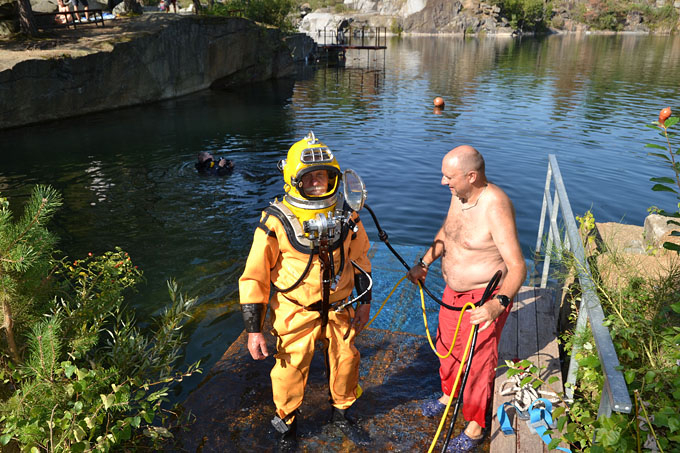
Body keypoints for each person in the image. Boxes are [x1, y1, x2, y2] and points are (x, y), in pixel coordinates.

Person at [239, 131, 372, 452]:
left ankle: (342, 411)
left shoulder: (347, 216)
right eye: (309, 177)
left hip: (340, 307)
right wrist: (254, 331)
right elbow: (254, 277)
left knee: (346, 359)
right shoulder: (276, 221)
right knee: (289, 368)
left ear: (334, 178)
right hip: (295, 310)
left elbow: (361, 259)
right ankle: (287, 422)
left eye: (323, 176)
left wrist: (364, 302)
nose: (317, 182)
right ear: (293, 180)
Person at [406, 145, 526, 452]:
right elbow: (449, 232)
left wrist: (495, 306)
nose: (443, 182)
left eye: (449, 177)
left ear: (471, 176)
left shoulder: (495, 206)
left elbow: (517, 267)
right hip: (452, 292)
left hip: (484, 298)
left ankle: (475, 428)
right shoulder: (459, 195)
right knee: (447, 347)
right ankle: (449, 395)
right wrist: (425, 262)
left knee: (478, 362)